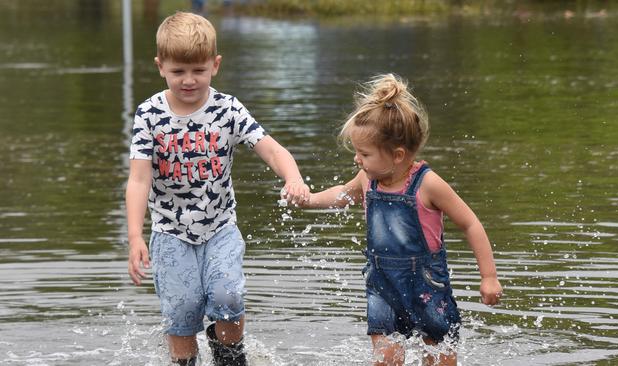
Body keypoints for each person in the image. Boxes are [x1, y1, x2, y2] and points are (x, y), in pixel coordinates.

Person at [125, 11, 310, 366]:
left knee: (227, 297)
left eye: (199, 70)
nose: (189, 80)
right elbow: (138, 179)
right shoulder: (149, 114)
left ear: (216, 64)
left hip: (220, 227)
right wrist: (136, 236)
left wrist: (293, 177)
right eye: (178, 71)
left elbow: (270, 148)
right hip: (170, 232)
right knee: (181, 309)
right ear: (160, 66)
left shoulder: (227, 109)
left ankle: (230, 357)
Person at [299, 74, 502, 366]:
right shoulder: (367, 180)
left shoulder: (427, 184)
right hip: (382, 285)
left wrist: (489, 277)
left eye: (364, 153)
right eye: (357, 152)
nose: (357, 159)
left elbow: (470, 223)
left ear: (397, 155)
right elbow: (341, 195)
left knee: (439, 356)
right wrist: (309, 199)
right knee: (386, 360)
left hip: (427, 285)